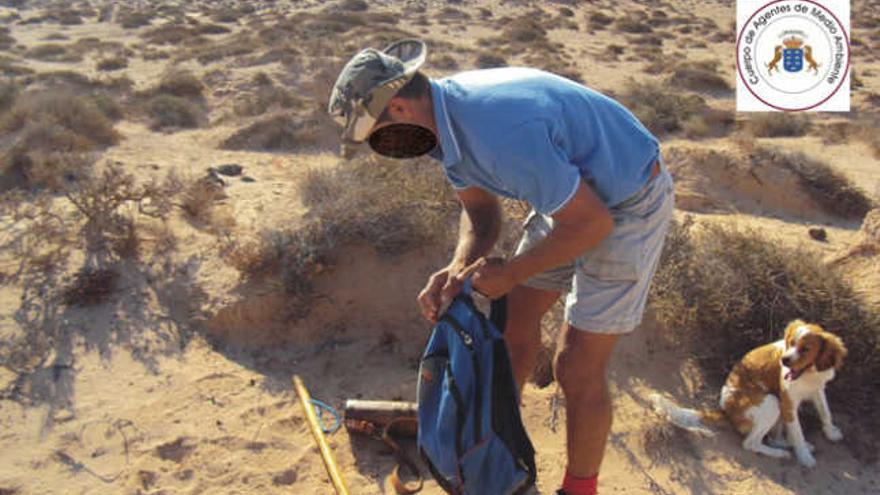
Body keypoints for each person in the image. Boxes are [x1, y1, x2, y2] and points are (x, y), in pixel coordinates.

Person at [328, 39, 674, 495]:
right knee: (512, 331)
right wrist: (456, 268)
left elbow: (593, 224)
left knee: (574, 365)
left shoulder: (496, 131)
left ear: (398, 106)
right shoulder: (442, 126)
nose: (381, 147)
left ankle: (579, 490)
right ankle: (495, 452)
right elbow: (482, 215)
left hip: (629, 201)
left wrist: (511, 273)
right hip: (570, 199)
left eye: (376, 134)